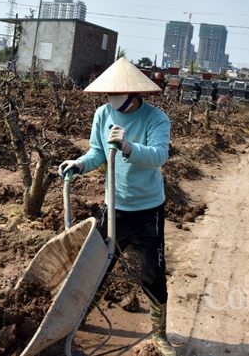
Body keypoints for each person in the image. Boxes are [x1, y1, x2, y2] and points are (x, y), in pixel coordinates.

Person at [58, 57, 175, 356]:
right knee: (97, 266)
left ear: (136, 93)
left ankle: (160, 333)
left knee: (152, 272)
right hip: (114, 206)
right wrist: (80, 164)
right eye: (109, 94)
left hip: (148, 209)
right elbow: (98, 152)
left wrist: (128, 147)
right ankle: (79, 317)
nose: (113, 99)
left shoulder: (156, 119)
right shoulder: (102, 114)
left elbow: (159, 156)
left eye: (118, 94)